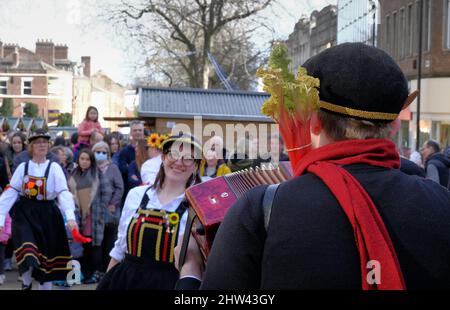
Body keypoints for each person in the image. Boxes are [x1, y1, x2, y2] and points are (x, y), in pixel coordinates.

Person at [175, 43, 450, 290]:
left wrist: (190, 271)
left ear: (314, 122)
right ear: (394, 125)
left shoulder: (261, 210)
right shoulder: (442, 203)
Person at [97, 133, 202, 290]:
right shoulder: (136, 195)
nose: (179, 161)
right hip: (126, 282)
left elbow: (194, 263)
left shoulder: (196, 209)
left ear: (195, 166)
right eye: (173, 154)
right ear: (163, 157)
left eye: (188, 157)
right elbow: (119, 249)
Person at [0, 129, 78, 290]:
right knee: (28, 251)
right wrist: (0, 217)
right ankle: (26, 284)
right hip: (25, 213)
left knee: (46, 260)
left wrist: (70, 217)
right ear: (31, 147)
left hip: (48, 215)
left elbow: (63, 192)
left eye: (44, 142)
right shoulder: (23, 167)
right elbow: (11, 192)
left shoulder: (54, 167)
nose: (42, 145)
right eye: (37, 142)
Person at [68, 148, 109, 284]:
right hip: (78, 214)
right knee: (81, 245)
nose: (84, 162)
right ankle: (83, 273)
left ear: (91, 161)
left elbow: (106, 192)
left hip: (94, 215)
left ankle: (95, 273)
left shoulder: (97, 174)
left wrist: (101, 209)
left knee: (95, 245)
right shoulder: (74, 173)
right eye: (82, 159)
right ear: (78, 160)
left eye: (87, 159)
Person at [91, 141, 124, 272]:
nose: (100, 154)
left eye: (103, 152)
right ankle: (96, 269)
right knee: (97, 242)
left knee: (109, 241)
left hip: (110, 211)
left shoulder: (113, 168)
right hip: (94, 212)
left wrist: (113, 203)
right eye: (97, 152)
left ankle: (108, 268)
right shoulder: (91, 168)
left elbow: (120, 187)